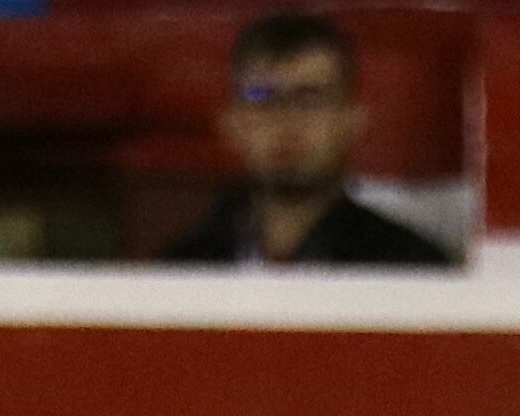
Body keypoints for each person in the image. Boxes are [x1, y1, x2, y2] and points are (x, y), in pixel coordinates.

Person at [170, 11, 461, 268]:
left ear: (353, 120)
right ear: (233, 124)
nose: (286, 119)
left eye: (310, 98)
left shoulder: (411, 268)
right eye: (262, 98)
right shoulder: (180, 271)